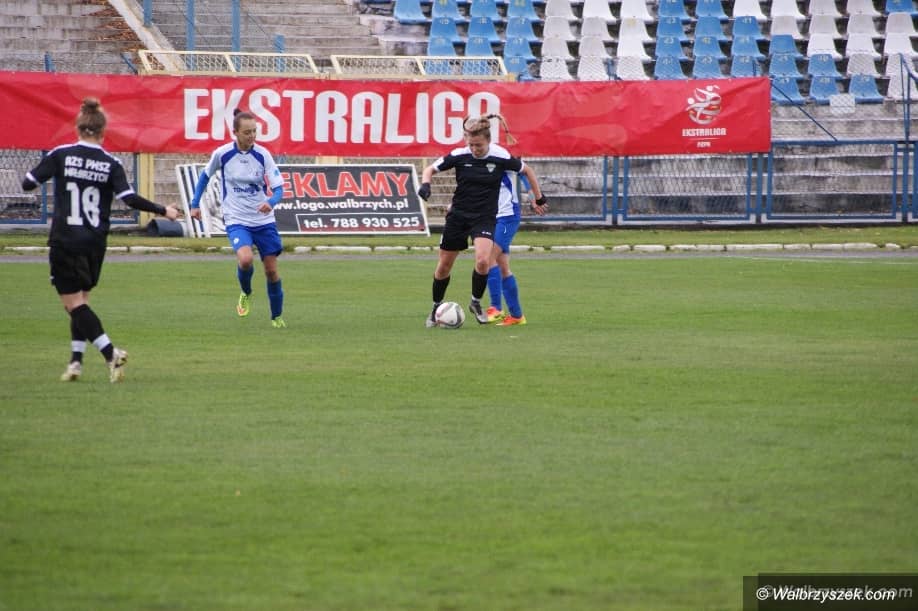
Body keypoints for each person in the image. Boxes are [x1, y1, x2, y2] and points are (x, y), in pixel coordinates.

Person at [21, 97, 180, 383]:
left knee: (74, 305)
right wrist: (163, 210)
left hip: (66, 240)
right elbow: (129, 198)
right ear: (103, 131)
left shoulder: (61, 154)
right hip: (95, 242)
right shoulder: (111, 163)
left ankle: (110, 353)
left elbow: (28, 183)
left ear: (78, 127)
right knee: (80, 302)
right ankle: (76, 362)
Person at [417, 114, 547, 327]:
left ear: (488, 141)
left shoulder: (500, 156)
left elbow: (527, 171)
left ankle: (479, 303)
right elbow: (430, 169)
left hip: (487, 217)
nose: (474, 149)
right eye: (471, 144)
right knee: (444, 267)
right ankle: (435, 307)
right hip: (459, 216)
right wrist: (425, 184)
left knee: (484, 260)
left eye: (478, 145)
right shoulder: (460, 155)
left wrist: (538, 197)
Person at [189, 109, 287, 328]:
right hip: (236, 218)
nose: (252, 136)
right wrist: (195, 204)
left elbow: (279, 189)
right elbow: (205, 176)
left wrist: (270, 202)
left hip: (263, 221)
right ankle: (246, 292)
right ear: (235, 132)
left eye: (254, 131)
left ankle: (277, 317)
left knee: (271, 271)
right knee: (245, 259)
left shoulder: (263, 155)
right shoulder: (223, 154)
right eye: (247, 132)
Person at [485, 168, 548, 326]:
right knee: (503, 267)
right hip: (491, 217)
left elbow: (524, 174)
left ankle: (496, 308)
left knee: (488, 258)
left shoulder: (504, 158)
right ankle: (517, 316)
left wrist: (534, 199)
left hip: (507, 217)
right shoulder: (478, 160)